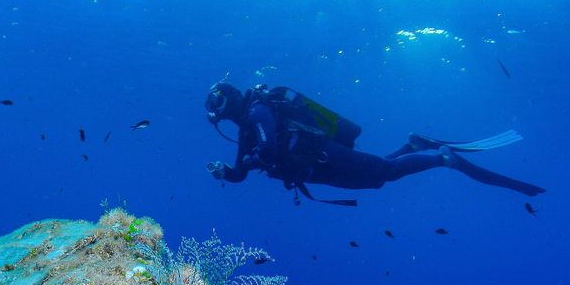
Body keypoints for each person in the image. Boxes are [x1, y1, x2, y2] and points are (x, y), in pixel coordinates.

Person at [203, 82, 545, 204]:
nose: (216, 114)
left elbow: (269, 152)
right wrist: (225, 172)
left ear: (230, 100)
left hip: (320, 156)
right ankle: (412, 146)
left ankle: (443, 158)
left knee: (387, 172)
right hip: (311, 171)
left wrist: (247, 162)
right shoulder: (247, 129)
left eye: (216, 105)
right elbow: (241, 173)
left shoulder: (259, 112)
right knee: (380, 178)